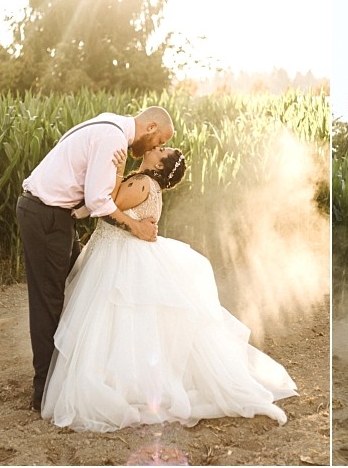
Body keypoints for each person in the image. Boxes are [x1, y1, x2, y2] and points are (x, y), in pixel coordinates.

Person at [41, 146, 298, 432]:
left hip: (117, 261)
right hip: (114, 253)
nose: (154, 147)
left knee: (109, 321)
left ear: (160, 166)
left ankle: (117, 384)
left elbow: (106, 205)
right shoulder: (144, 182)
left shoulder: (142, 184)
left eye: (161, 149)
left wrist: (115, 169)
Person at [16, 107, 174, 412]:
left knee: (77, 288)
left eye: (160, 147)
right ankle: (45, 392)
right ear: (150, 125)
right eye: (158, 140)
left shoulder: (107, 122)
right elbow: (99, 200)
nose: (154, 147)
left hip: (56, 215)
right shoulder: (114, 139)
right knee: (49, 301)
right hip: (46, 215)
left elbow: (92, 190)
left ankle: (70, 376)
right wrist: (137, 226)